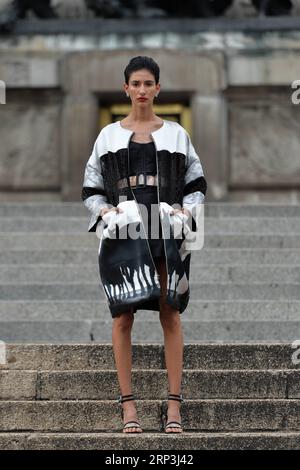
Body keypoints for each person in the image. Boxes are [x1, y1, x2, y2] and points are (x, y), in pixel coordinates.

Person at [81, 56, 207, 434]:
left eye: (147, 83)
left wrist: (186, 214)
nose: (140, 90)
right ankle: (128, 406)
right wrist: (105, 213)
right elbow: (90, 189)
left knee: (170, 310)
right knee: (123, 314)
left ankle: (173, 406)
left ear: (157, 89)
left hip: (164, 225)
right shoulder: (107, 136)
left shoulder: (176, 135)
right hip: (125, 229)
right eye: (134, 83)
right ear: (126, 89)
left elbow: (196, 182)